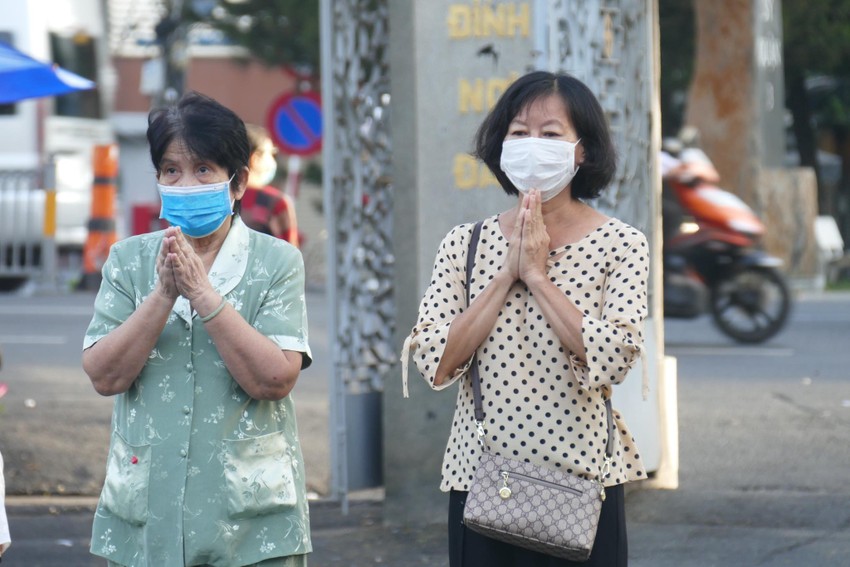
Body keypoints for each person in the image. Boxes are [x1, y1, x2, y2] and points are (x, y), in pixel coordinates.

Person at [401, 71, 649, 567]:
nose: (532, 146)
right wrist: (504, 276)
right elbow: (435, 358)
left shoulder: (621, 244)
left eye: (551, 134)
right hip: (484, 480)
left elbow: (616, 356)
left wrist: (538, 277)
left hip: (583, 483)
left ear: (582, 151)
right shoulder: (464, 244)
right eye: (518, 132)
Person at [82, 92, 312, 567]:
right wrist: (164, 295)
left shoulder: (276, 262)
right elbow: (105, 377)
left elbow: (275, 379)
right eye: (171, 170)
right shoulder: (129, 261)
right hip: (148, 516)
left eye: (203, 169)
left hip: (251, 525)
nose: (186, 183)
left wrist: (203, 295)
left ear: (238, 182)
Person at [239, 124, 300, 247]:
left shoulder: (223, 196)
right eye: (271, 154)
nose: (273, 161)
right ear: (255, 159)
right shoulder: (277, 203)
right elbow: (291, 257)